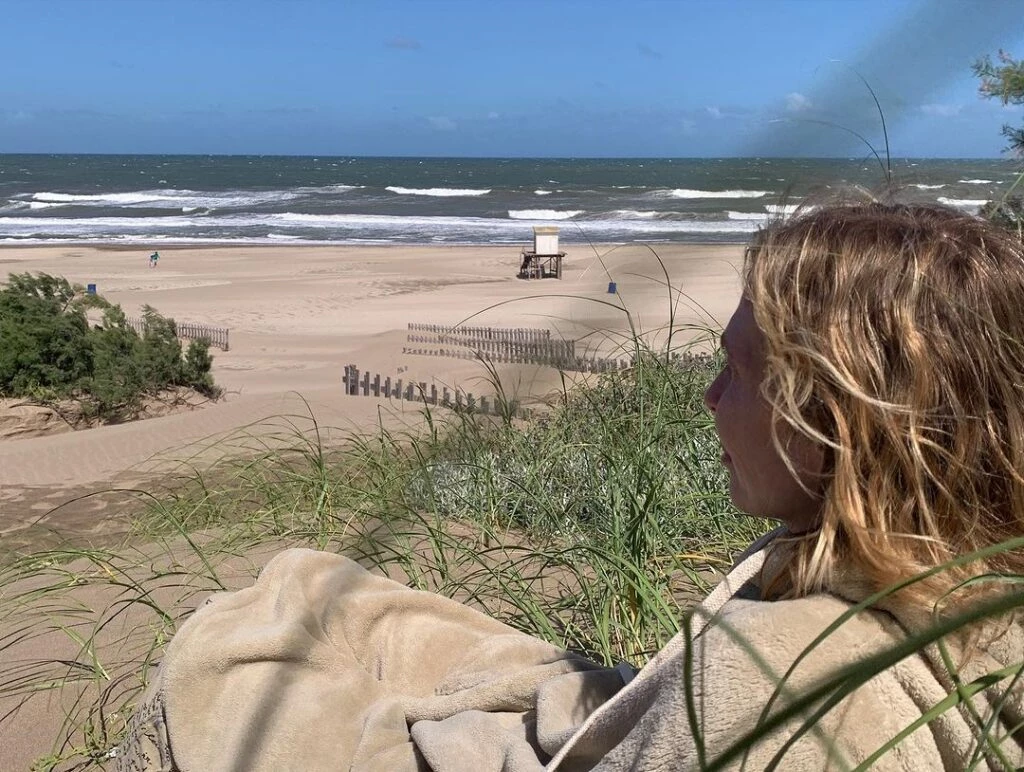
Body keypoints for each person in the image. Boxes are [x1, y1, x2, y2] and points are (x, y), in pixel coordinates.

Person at [116, 202, 1023, 771]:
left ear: (837, 420)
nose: (709, 398)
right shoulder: (942, 573)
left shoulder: (793, 694)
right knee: (313, 585)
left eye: (738, 371)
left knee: (227, 655)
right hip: (644, 711)